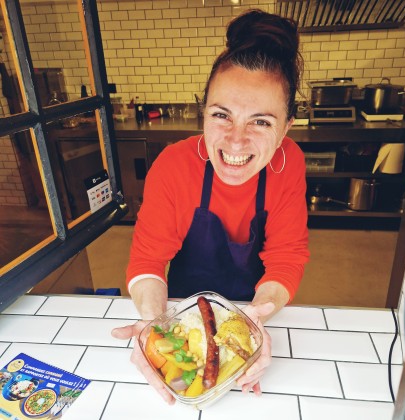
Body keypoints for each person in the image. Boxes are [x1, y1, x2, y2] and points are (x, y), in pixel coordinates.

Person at [112, 9, 309, 404]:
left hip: (252, 306)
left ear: (286, 128)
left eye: (261, 122)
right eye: (222, 115)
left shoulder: (290, 164)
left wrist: (256, 318)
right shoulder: (173, 164)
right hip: (182, 313)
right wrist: (155, 325)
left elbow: (287, 257)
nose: (236, 142)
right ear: (203, 112)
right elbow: (148, 260)